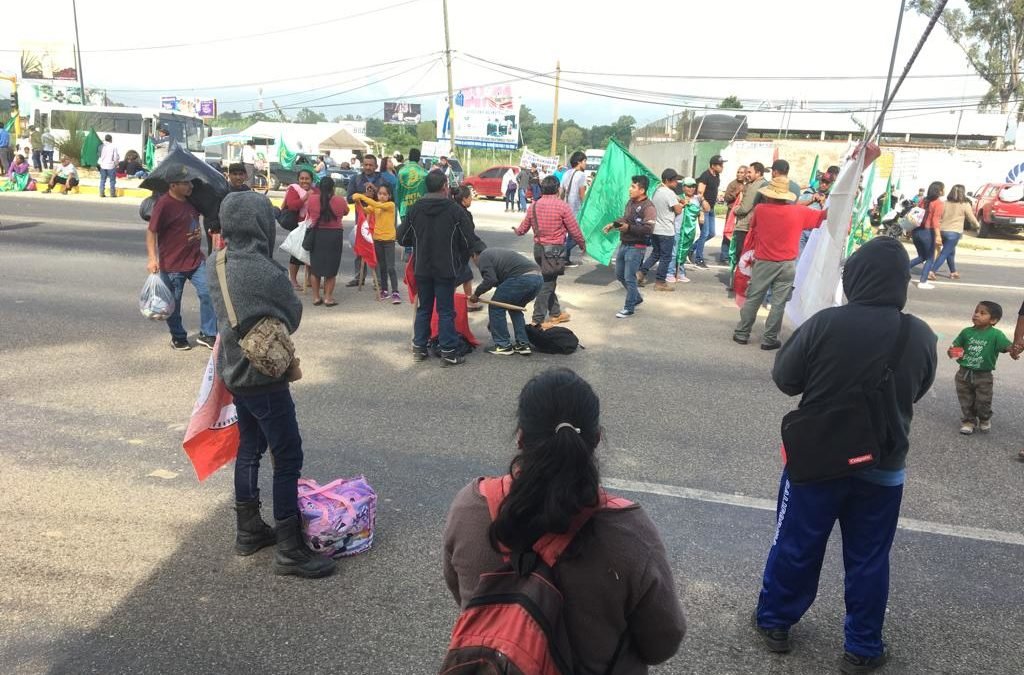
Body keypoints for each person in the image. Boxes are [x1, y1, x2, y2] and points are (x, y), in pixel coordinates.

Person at [754, 236, 936, 674]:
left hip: (818, 460)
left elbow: (786, 379)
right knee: (869, 557)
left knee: (797, 542)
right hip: (884, 465)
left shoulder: (825, 323)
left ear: (854, 278)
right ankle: (862, 646)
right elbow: (919, 390)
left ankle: (776, 621)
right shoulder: (920, 333)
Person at [443, 368, 687, 673]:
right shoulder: (630, 534)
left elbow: (462, 594)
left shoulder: (470, 506)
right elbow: (662, 643)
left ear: (521, 438)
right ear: (596, 439)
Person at [207, 191, 335, 579]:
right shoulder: (265, 272)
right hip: (264, 375)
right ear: (261, 225)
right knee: (287, 456)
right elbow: (291, 316)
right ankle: (290, 549)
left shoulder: (216, 262)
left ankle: (248, 530)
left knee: (249, 448)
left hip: (234, 370)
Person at [733, 176, 827, 349]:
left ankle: (742, 333)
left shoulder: (761, 209)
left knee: (754, 297)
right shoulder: (799, 212)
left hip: (763, 262)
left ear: (768, 195)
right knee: (778, 303)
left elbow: (754, 227)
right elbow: (823, 217)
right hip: (787, 264)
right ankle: (769, 339)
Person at [397, 170, 479, 367]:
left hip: (422, 267)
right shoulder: (454, 209)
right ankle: (449, 351)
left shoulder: (415, 208)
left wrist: (418, 240)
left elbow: (402, 237)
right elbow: (469, 238)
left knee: (424, 307)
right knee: (445, 310)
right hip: (446, 267)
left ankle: (419, 348)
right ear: (444, 186)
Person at [145, 167, 217, 351]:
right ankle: (178, 336)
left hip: (195, 260)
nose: (190, 186)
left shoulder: (192, 201)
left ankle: (208, 333)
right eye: (185, 183)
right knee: (173, 304)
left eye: (190, 182)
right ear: (173, 185)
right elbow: (151, 232)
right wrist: (153, 259)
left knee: (208, 293)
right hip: (173, 265)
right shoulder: (164, 204)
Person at [514, 175, 585, 327]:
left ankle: (556, 313)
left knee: (549, 280)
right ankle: (537, 319)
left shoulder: (534, 205)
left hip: (538, 249)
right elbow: (574, 229)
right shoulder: (562, 206)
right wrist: (582, 244)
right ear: (558, 189)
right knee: (547, 283)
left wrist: (517, 231)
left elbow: (523, 228)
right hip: (554, 251)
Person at [949, 301, 1016, 435]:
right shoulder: (966, 332)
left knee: (983, 401)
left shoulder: (996, 335)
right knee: (965, 399)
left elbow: (1007, 347)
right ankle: (968, 421)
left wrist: (1015, 349)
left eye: (982, 313)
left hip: (983, 375)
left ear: (993, 320)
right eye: (976, 311)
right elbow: (955, 347)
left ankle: (984, 418)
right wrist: (952, 352)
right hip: (964, 373)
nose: (976, 315)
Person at [469, 246, 544, 356]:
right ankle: (523, 344)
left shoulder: (483, 256)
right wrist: (495, 322)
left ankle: (503, 345)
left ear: (474, 255)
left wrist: (476, 294)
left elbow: (490, 280)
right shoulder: (494, 254)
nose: (475, 263)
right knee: (514, 308)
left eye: (473, 260)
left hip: (522, 278)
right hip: (537, 279)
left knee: (495, 307)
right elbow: (500, 284)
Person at [605, 175, 656, 319]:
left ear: (642, 190)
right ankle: (636, 297)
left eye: (633, 187)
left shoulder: (648, 207)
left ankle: (629, 307)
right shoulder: (630, 202)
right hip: (625, 244)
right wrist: (614, 224)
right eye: (631, 186)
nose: (630, 189)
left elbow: (648, 229)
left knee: (629, 277)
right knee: (619, 275)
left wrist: (628, 228)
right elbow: (625, 218)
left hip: (637, 247)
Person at [638, 169, 685, 292]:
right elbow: (678, 210)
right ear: (667, 180)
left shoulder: (657, 191)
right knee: (665, 257)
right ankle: (660, 282)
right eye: (675, 180)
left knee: (656, 254)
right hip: (666, 230)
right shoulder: (668, 193)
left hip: (655, 228)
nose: (676, 183)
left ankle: (641, 273)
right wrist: (683, 204)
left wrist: (678, 202)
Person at [305, 176, 349, 307]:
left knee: (315, 268)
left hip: (317, 234)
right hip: (334, 236)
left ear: (319, 188)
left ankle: (316, 297)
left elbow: (309, 212)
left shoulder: (312, 199)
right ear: (333, 188)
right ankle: (328, 298)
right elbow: (346, 212)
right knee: (331, 269)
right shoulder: (340, 200)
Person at [353, 184, 401, 303]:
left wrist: (361, 196)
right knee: (382, 267)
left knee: (391, 267)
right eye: (380, 194)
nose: (382, 196)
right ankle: (384, 290)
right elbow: (364, 211)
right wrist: (358, 201)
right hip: (377, 239)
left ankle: (395, 291)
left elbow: (376, 204)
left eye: (385, 194)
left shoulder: (390, 205)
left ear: (389, 195)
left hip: (389, 240)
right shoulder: (375, 206)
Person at [346, 154, 384, 287]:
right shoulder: (355, 179)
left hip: (379, 220)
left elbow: (389, 199)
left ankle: (378, 281)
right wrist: (363, 196)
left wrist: (375, 191)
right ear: (362, 165)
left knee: (377, 250)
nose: (368, 167)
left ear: (376, 166)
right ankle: (359, 277)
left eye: (371, 165)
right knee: (359, 249)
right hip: (361, 219)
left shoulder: (382, 180)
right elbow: (349, 198)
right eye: (366, 164)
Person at [729, 162, 768, 288]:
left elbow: (745, 207)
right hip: (753, 225)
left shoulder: (756, 186)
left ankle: (740, 284)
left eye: (750, 172)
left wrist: (735, 210)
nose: (747, 175)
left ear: (758, 173)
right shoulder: (761, 184)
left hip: (745, 226)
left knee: (743, 257)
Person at [931, 184, 977, 281]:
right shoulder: (965, 204)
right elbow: (971, 218)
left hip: (942, 230)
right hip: (954, 232)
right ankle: (932, 271)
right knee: (944, 253)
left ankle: (953, 272)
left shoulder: (944, 203)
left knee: (951, 253)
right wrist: (978, 226)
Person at [688, 154, 726, 269]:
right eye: (720, 165)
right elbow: (700, 193)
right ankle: (699, 259)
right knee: (704, 234)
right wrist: (703, 203)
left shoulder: (716, 176)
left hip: (711, 208)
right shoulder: (706, 176)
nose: (722, 167)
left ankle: (690, 249)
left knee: (711, 233)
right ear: (713, 165)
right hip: (703, 209)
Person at [282, 169, 315, 290]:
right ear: (298, 179)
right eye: (302, 178)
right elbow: (292, 206)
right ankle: (293, 280)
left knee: (311, 253)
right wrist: (306, 197)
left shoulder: (315, 190)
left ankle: (310, 280)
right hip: (298, 225)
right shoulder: (294, 189)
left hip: (311, 225)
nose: (304, 181)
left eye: (307, 178)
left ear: (312, 180)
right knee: (296, 254)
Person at [909, 181, 944, 290]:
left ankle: (901, 269)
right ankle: (923, 281)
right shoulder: (938, 203)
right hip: (927, 232)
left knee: (921, 256)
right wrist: (938, 236)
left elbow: (916, 215)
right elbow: (935, 220)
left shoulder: (923, 201)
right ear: (939, 191)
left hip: (917, 231)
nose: (944, 191)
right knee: (930, 257)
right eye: (943, 188)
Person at [667, 177, 701, 284]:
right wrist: (682, 203)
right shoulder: (678, 197)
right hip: (678, 228)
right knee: (674, 252)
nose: (690, 189)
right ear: (683, 187)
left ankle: (680, 272)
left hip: (690, 230)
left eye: (693, 186)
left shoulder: (697, 199)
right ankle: (670, 272)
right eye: (688, 186)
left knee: (684, 252)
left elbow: (706, 209)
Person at [455, 186, 484, 312]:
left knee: (467, 277)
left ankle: (469, 301)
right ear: (464, 199)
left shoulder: (452, 209)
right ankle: (451, 303)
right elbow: (468, 235)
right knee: (455, 280)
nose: (471, 199)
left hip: (457, 252)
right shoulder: (464, 214)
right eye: (470, 197)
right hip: (459, 252)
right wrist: (474, 251)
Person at [559, 151, 589, 266]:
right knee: (576, 236)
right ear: (579, 162)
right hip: (575, 210)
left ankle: (565, 258)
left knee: (568, 234)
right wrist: (586, 208)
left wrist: (559, 205)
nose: (586, 164)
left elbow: (561, 191)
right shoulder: (581, 175)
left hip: (565, 208)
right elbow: (582, 195)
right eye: (585, 161)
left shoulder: (566, 173)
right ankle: (563, 253)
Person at [720, 164, 749, 263]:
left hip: (742, 213)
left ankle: (734, 254)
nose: (739, 174)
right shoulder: (733, 184)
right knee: (728, 232)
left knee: (737, 234)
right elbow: (726, 198)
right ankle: (724, 256)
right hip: (732, 211)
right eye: (738, 172)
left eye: (742, 172)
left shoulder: (748, 184)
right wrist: (736, 192)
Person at [98, 134, 120, 198]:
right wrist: (116, 164)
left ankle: (101, 193)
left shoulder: (101, 146)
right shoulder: (113, 147)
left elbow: (99, 155)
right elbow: (115, 157)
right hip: (111, 166)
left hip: (103, 165)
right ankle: (112, 194)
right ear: (111, 139)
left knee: (102, 180)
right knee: (112, 180)